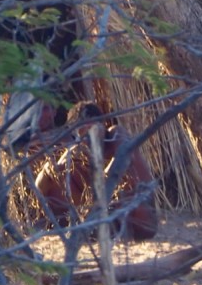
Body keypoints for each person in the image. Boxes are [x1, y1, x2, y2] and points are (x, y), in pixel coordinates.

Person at [33, 101, 159, 240]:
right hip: (99, 215)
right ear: (76, 132)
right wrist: (53, 169)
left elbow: (123, 163)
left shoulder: (116, 136)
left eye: (92, 129)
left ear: (103, 124)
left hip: (137, 211)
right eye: (83, 131)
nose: (89, 135)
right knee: (54, 173)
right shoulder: (77, 152)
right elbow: (42, 185)